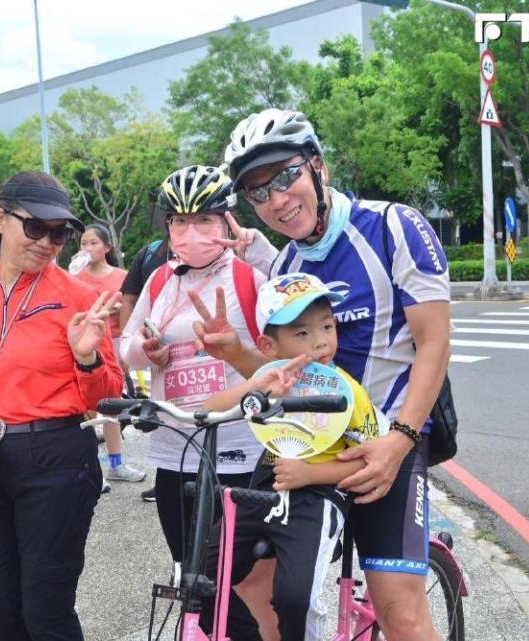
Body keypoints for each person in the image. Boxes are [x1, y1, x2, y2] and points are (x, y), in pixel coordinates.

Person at [193, 108, 451, 641]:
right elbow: (286, 373)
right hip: (310, 447)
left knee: (401, 613)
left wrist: (398, 443)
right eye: (258, 193)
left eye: (285, 177)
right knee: (247, 582)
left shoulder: (393, 228)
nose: (277, 201)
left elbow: (434, 343)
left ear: (318, 167)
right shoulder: (285, 269)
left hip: (387, 441)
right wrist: (237, 351)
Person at [0, 171, 123, 641]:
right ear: (0, 219)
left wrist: (86, 357)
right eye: (36, 228)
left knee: (47, 612)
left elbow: (109, 397)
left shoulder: (81, 297)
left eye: (59, 233)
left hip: (57, 460)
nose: (48, 242)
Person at [118, 165, 270, 627]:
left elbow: (288, 352)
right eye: (179, 221)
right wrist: (147, 352)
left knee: (235, 584)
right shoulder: (162, 280)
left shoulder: (251, 276)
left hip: (239, 452)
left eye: (204, 219)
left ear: (227, 220)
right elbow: (125, 348)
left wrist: (260, 253)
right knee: (192, 581)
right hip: (175, 449)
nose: (190, 232)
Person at [199, 272, 386, 641]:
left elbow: (369, 459)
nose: (320, 342)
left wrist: (308, 474)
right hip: (264, 490)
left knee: (295, 597)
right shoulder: (271, 380)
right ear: (269, 345)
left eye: (327, 327)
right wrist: (255, 387)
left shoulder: (347, 392)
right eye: (302, 333)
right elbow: (211, 412)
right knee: (202, 575)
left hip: (318, 498)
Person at [76, 223, 146, 485]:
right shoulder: (75, 278)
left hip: (115, 343)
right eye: (83, 243)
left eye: (93, 243)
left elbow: (136, 310)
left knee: (111, 406)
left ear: (108, 246)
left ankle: (116, 464)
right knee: (87, 409)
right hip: (86, 347)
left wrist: (120, 312)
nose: (87, 248)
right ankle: (92, 466)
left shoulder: (122, 276)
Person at [119, 235, 172, 502]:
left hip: (207, 351)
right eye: (179, 220)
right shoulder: (149, 254)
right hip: (157, 350)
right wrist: (127, 345)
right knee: (163, 414)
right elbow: (129, 299)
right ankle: (165, 476)